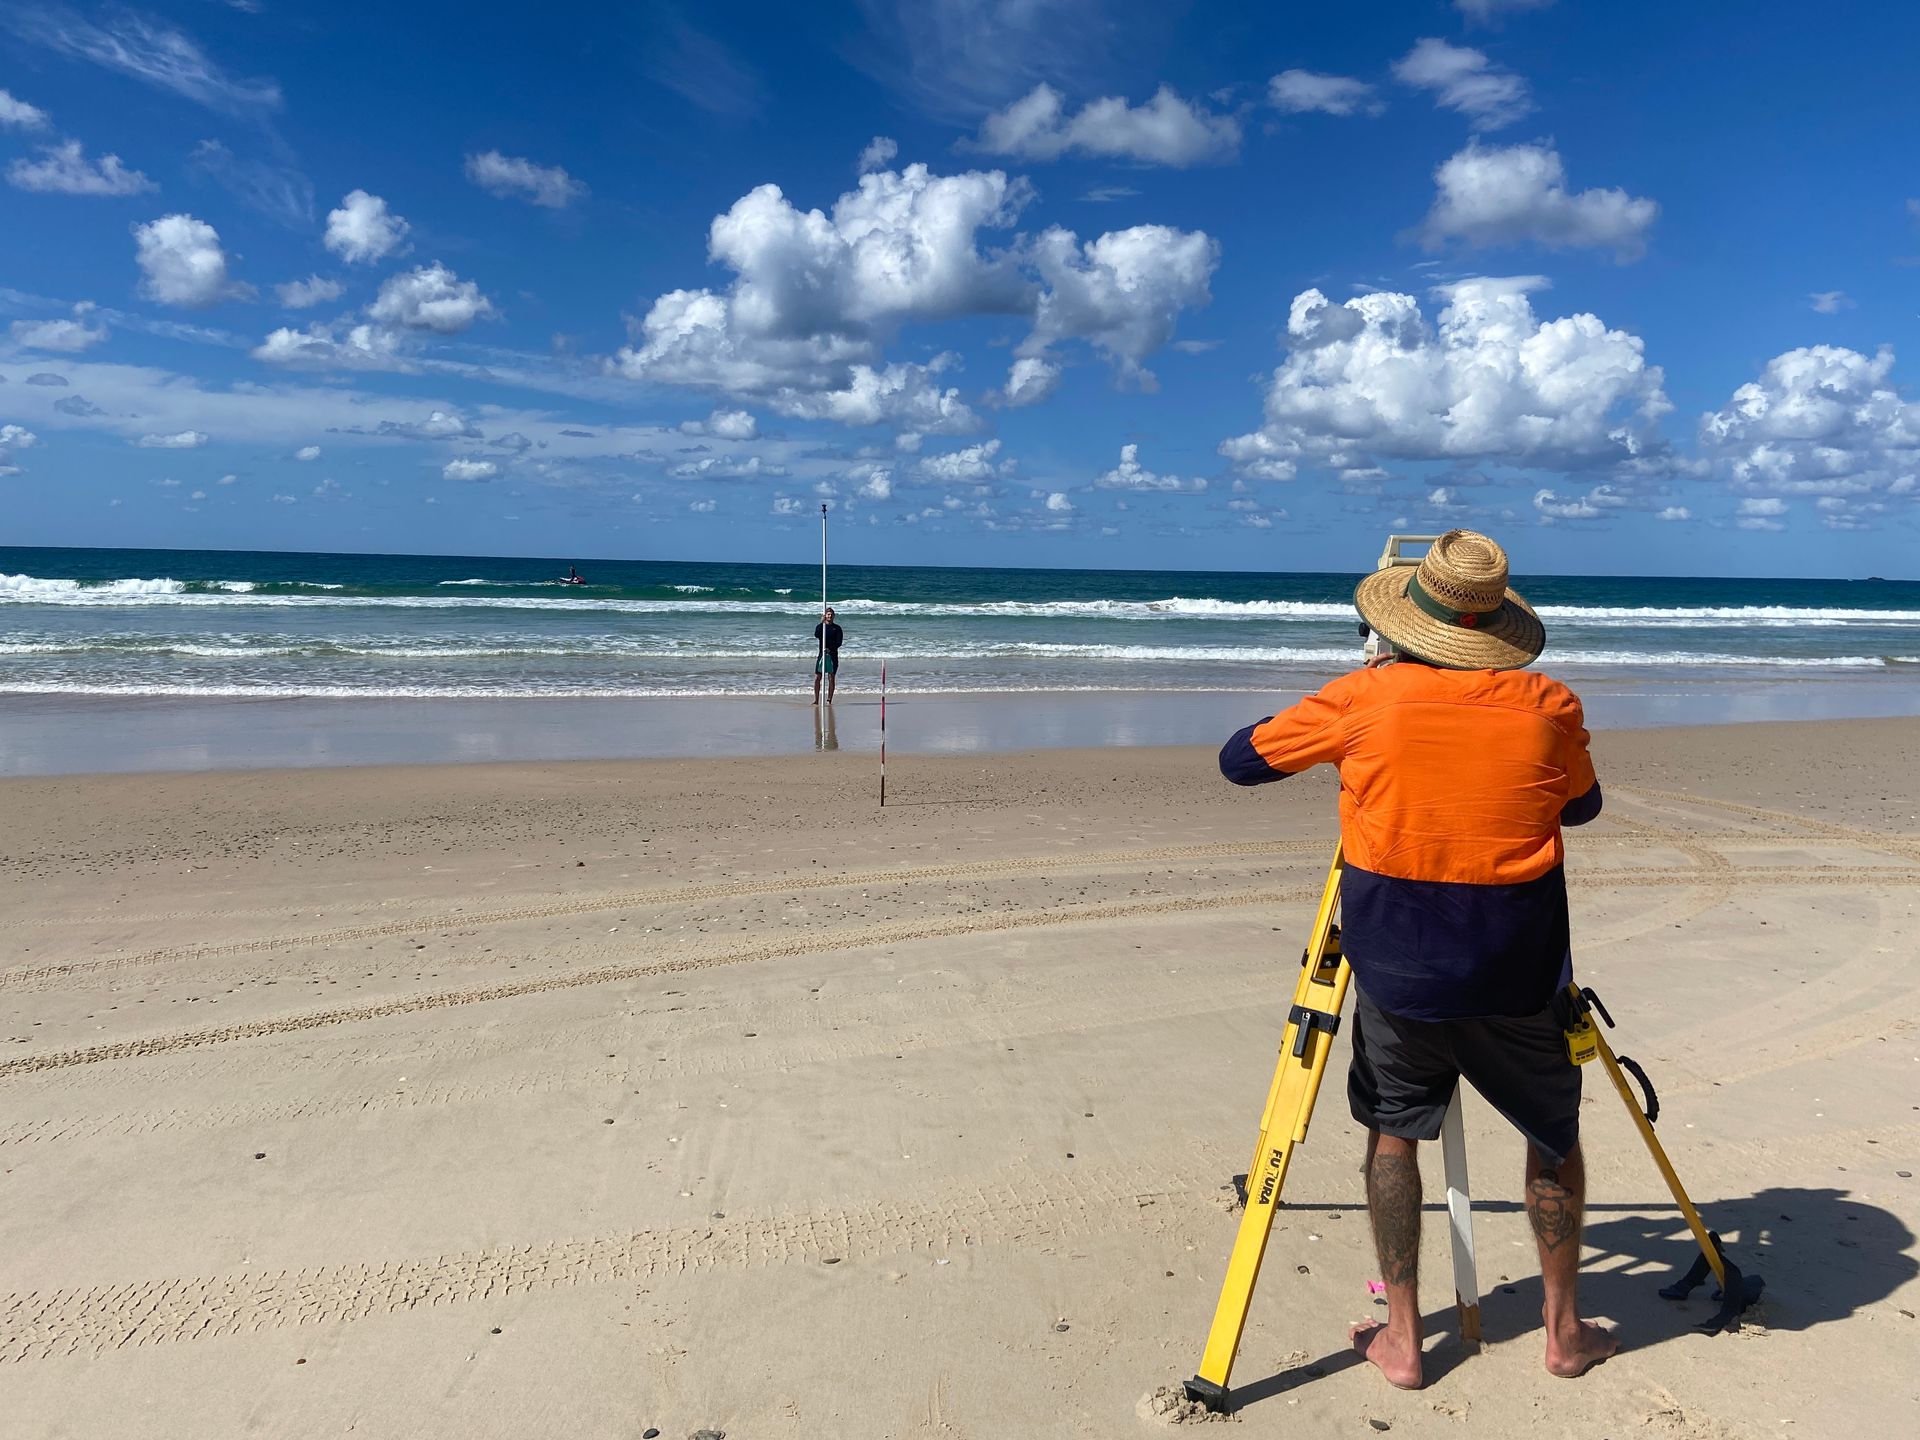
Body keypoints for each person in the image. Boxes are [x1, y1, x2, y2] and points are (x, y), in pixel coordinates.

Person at [1218, 529, 1616, 1390]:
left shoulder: (1365, 697)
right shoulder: (1551, 705)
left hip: (1398, 969)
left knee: (1394, 1137)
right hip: (1521, 964)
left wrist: (1352, 711)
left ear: (1400, 625)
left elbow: (1240, 761)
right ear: (1496, 626)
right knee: (1554, 1136)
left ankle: (1403, 1341)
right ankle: (1562, 1333)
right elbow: (1580, 807)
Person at [812, 606, 844, 705]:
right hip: (822, 654)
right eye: (828, 614)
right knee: (818, 677)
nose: (829, 616)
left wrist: (830, 649)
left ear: (834, 616)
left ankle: (829, 700)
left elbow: (839, 643)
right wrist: (821, 623)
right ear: (825, 615)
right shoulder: (822, 626)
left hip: (832, 655)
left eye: (831, 614)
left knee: (831, 677)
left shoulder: (837, 628)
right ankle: (816, 700)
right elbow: (816, 635)